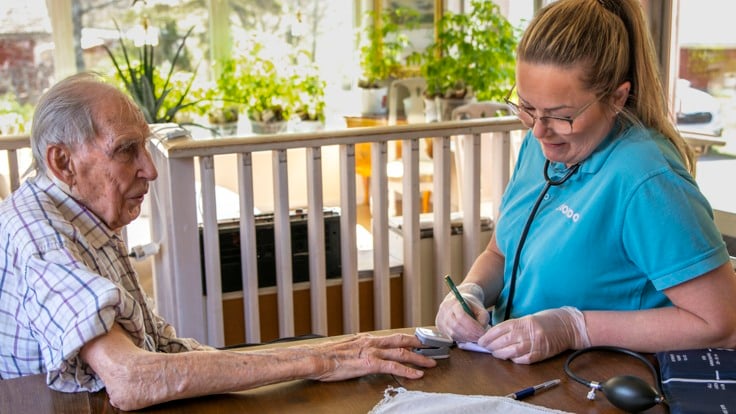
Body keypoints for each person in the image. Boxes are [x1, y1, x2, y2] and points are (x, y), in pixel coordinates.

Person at [0, 72, 436, 411]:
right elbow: (131, 379)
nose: (149, 169)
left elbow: (161, 348)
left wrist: (319, 353)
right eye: (127, 150)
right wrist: (321, 361)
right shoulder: (40, 235)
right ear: (63, 162)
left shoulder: (82, 219)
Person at [436, 0, 736, 365]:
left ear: (616, 99)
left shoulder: (645, 179)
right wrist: (471, 292)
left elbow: (721, 324)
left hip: (597, 386)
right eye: (527, 107)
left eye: (561, 116)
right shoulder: (540, 145)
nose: (539, 131)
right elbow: (501, 252)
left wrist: (575, 328)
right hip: (516, 378)